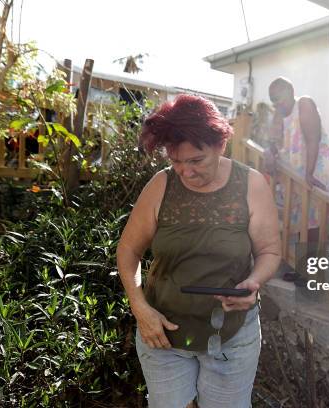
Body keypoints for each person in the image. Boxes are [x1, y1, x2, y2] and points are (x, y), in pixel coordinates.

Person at [116, 94, 281, 408]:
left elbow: (270, 251)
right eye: (176, 161)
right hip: (162, 337)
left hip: (231, 339)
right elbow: (128, 251)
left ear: (220, 145)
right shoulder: (160, 186)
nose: (186, 172)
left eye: (196, 160)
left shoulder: (251, 185)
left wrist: (254, 282)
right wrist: (140, 308)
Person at [265, 77, 329, 281]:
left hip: (314, 171)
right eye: (273, 100)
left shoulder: (304, 104)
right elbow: (274, 144)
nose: (277, 103)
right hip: (296, 175)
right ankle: (304, 270)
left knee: (314, 223)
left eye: (279, 98)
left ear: (291, 92)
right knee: (301, 222)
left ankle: (314, 276)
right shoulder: (280, 115)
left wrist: (309, 174)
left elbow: (313, 140)